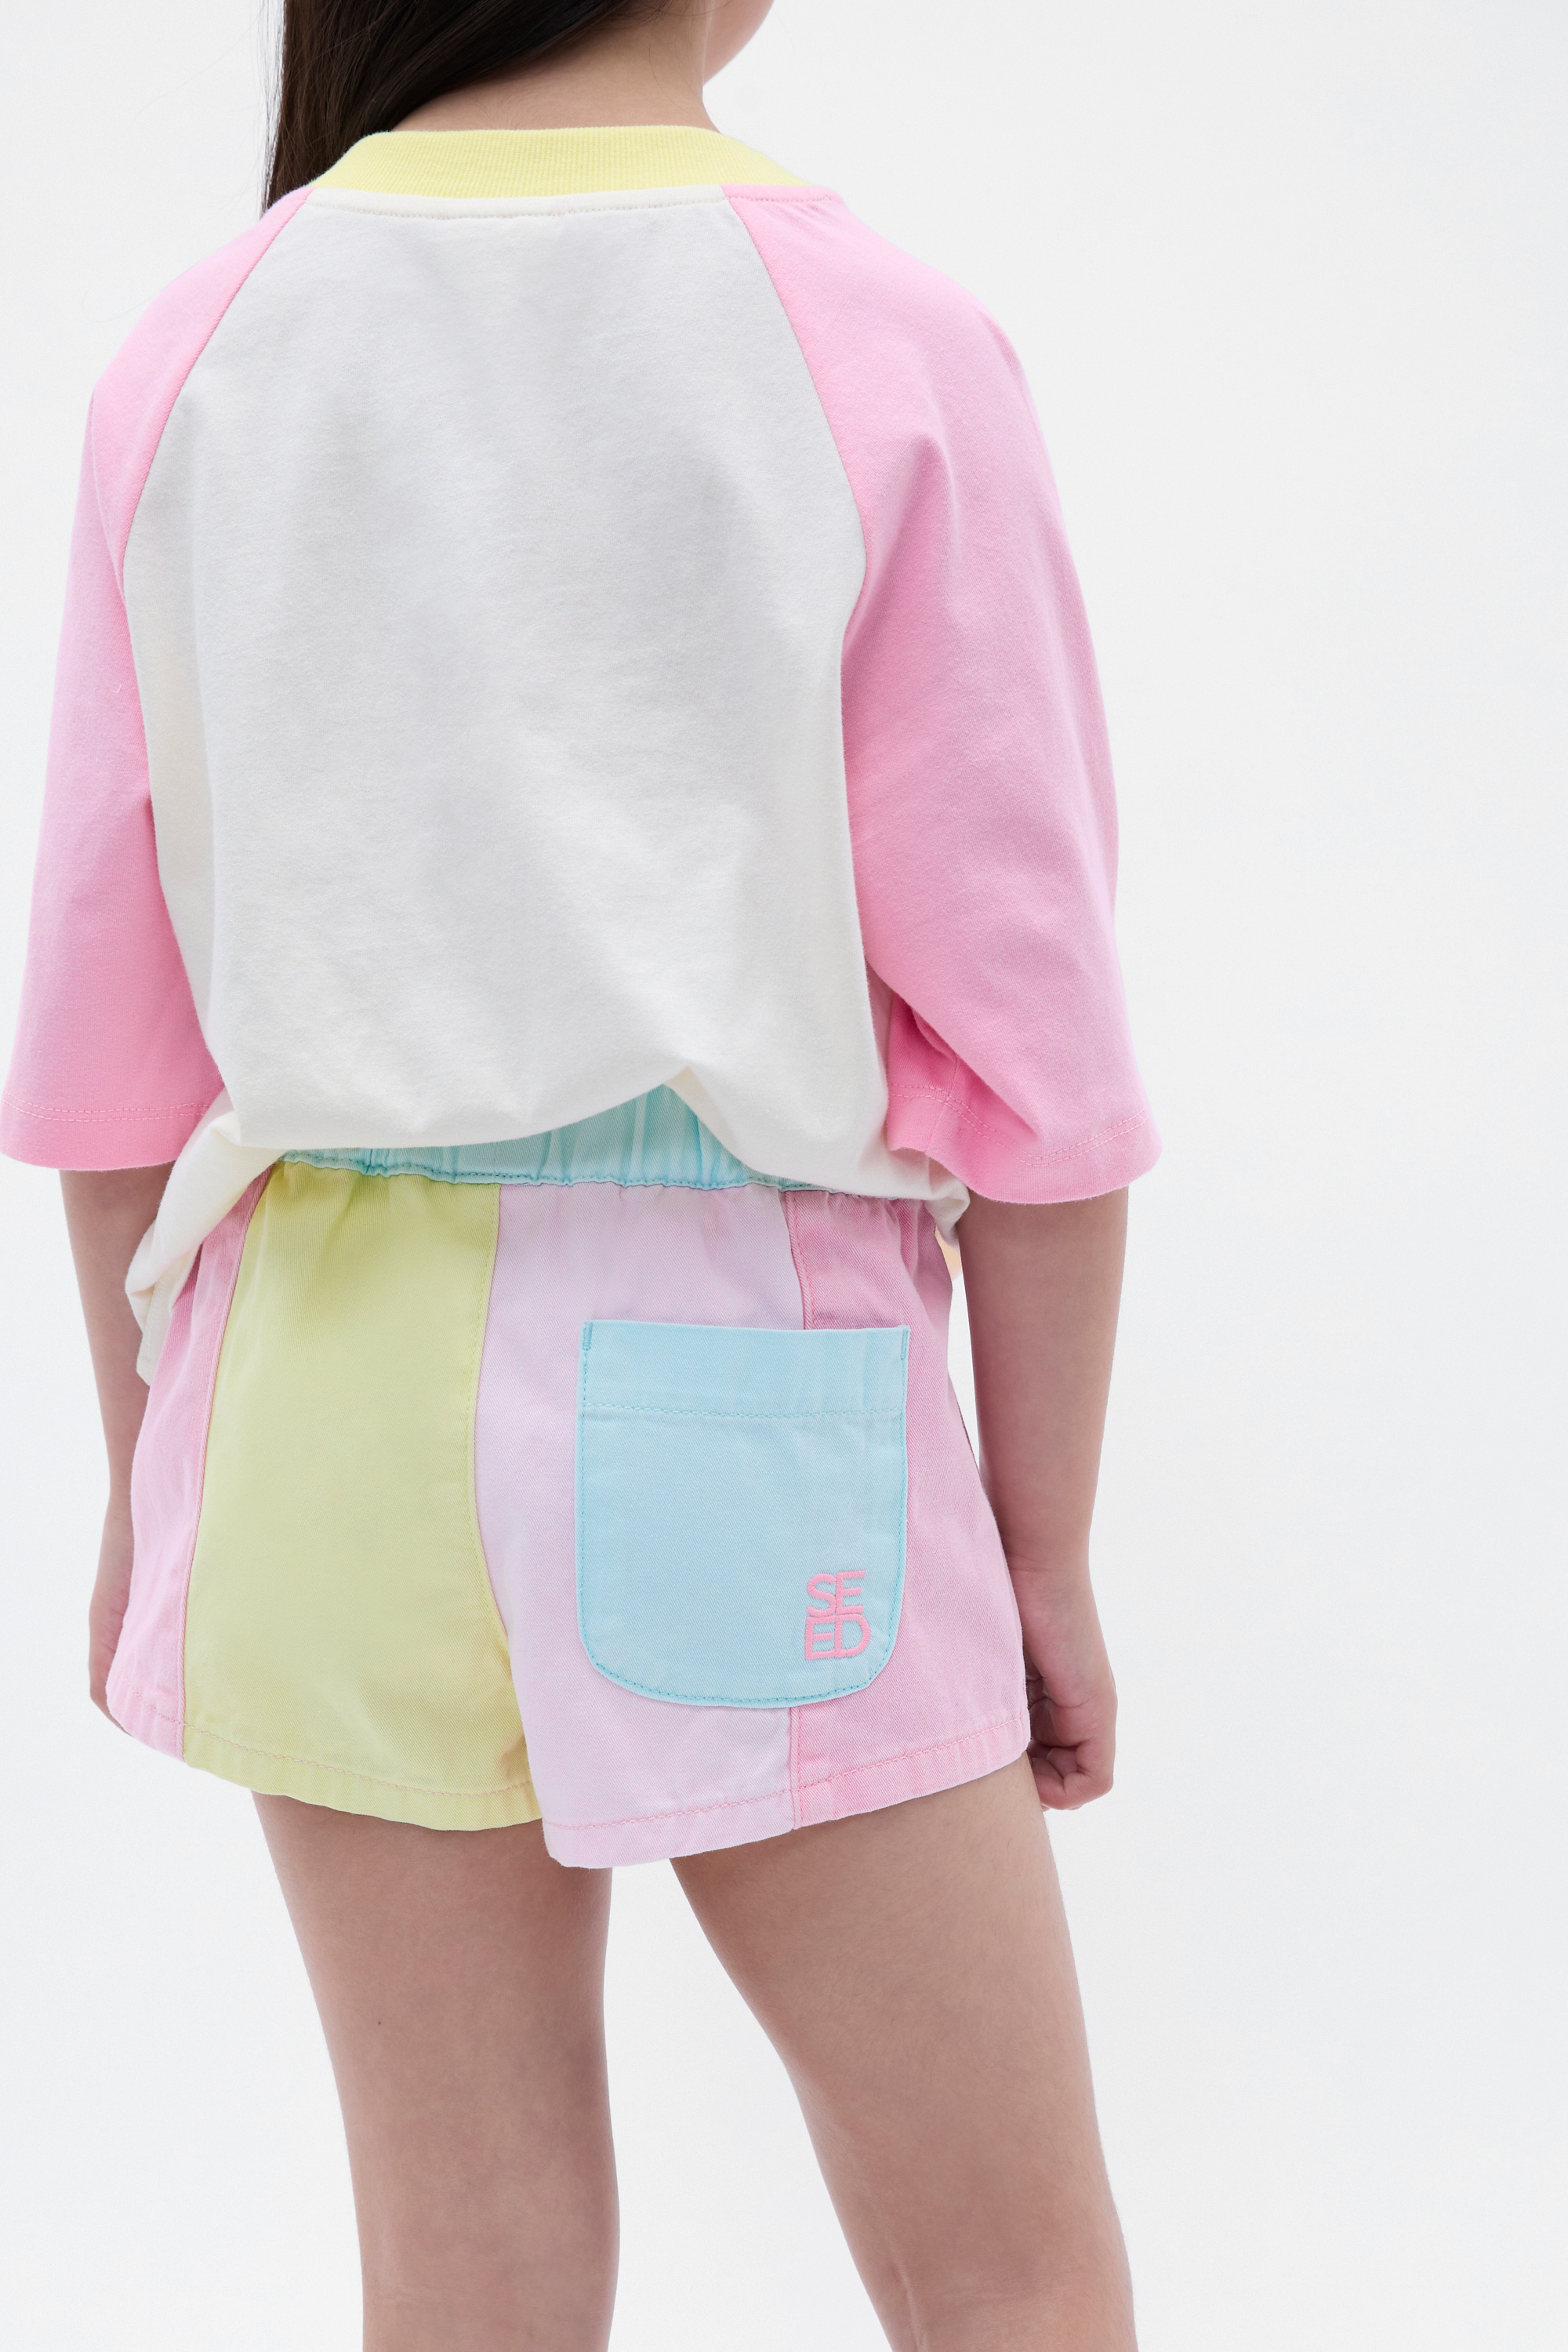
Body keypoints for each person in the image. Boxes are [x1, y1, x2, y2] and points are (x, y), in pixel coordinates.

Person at [2, 2, 1159, 2343]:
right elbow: (1031, 1039)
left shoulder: (205, 341)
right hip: (739, 1379)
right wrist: (1042, 1544)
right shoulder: (872, 332)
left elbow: (113, 1051)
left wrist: (150, 1479)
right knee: (1004, 2275)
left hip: (315, 1406)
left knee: (468, 2275)